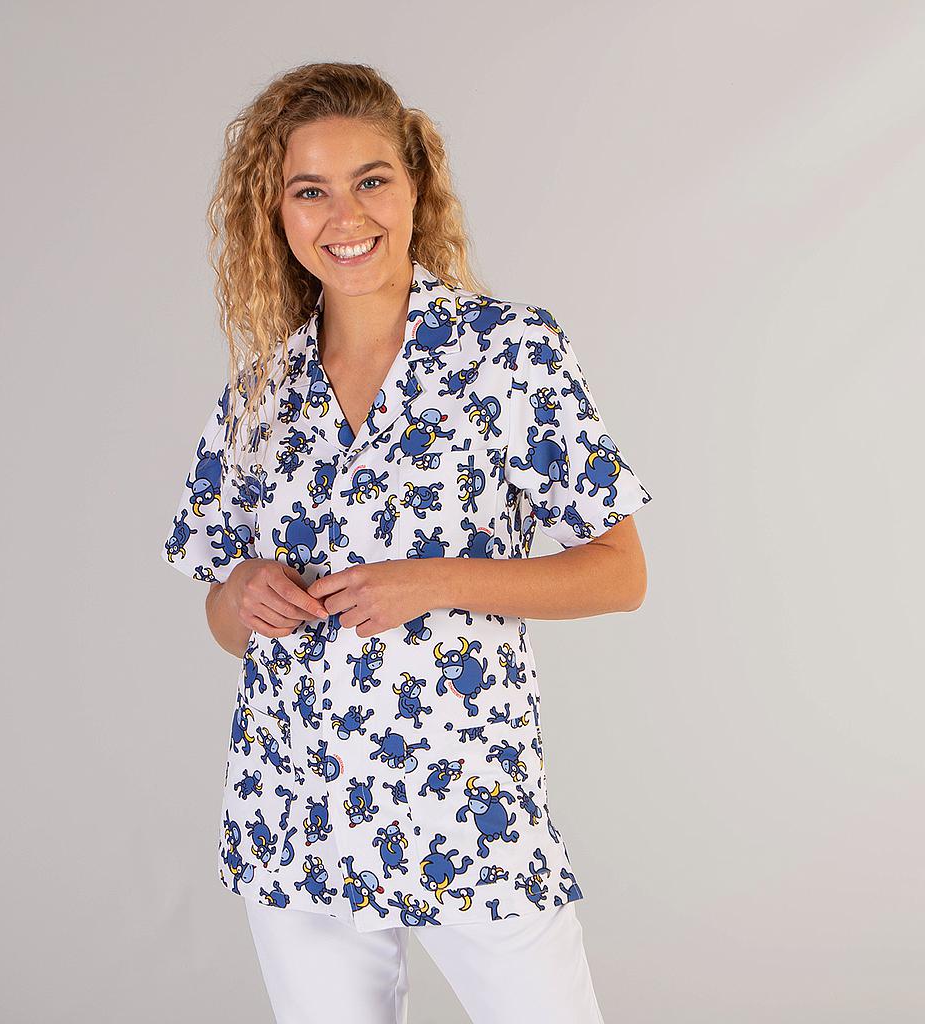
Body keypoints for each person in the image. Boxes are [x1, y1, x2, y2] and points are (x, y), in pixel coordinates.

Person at [161, 62, 651, 1024]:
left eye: (371, 180)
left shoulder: (508, 353)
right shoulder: (259, 395)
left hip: (466, 799)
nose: (345, 215)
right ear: (277, 211)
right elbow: (224, 622)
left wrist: (433, 580)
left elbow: (620, 573)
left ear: (417, 186)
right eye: (311, 190)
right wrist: (242, 592)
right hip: (295, 810)